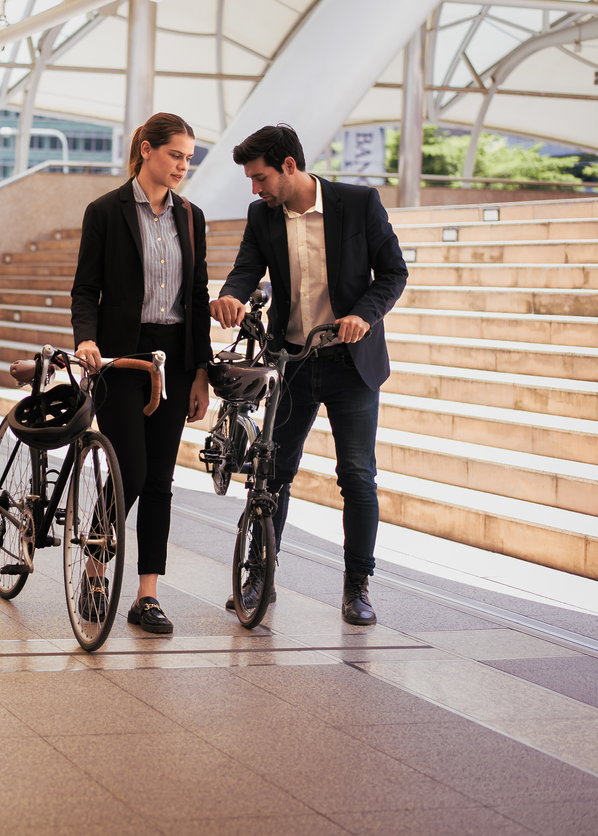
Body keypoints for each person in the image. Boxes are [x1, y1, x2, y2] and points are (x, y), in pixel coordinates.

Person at [209, 124, 407, 625]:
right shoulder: (263, 215)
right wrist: (232, 294)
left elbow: (393, 272)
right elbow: (246, 267)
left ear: (289, 166)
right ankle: (260, 575)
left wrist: (364, 313)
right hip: (292, 363)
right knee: (271, 476)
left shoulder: (358, 203)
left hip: (351, 364)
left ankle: (357, 586)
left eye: (260, 177)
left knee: (357, 477)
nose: (255, 189)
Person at [71, 112, 211, 634]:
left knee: (161, 479)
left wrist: (200, 373)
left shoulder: (192, 217)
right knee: (131, 466)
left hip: (173, 356)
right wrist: (86, 338)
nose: (182, 166)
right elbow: (86, 289)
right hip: (121, 357)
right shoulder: (105, 211)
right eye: (176, 155)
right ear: (147, 150)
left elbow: (195, 298)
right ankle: (92, 569)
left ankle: (147, 594)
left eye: (189, 159)